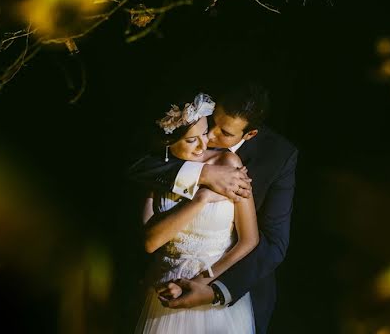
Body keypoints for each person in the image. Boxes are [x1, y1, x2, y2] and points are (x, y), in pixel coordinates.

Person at [128, 84, 298, 334]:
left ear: (249, 135)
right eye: (212, 123)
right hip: (163, 281)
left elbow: (271, 243)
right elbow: (138, 166)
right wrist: (203, 175)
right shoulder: (190, 131)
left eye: (225, 133)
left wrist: (211, 289)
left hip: (231, 285)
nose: (209, 137)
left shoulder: (277, 156)